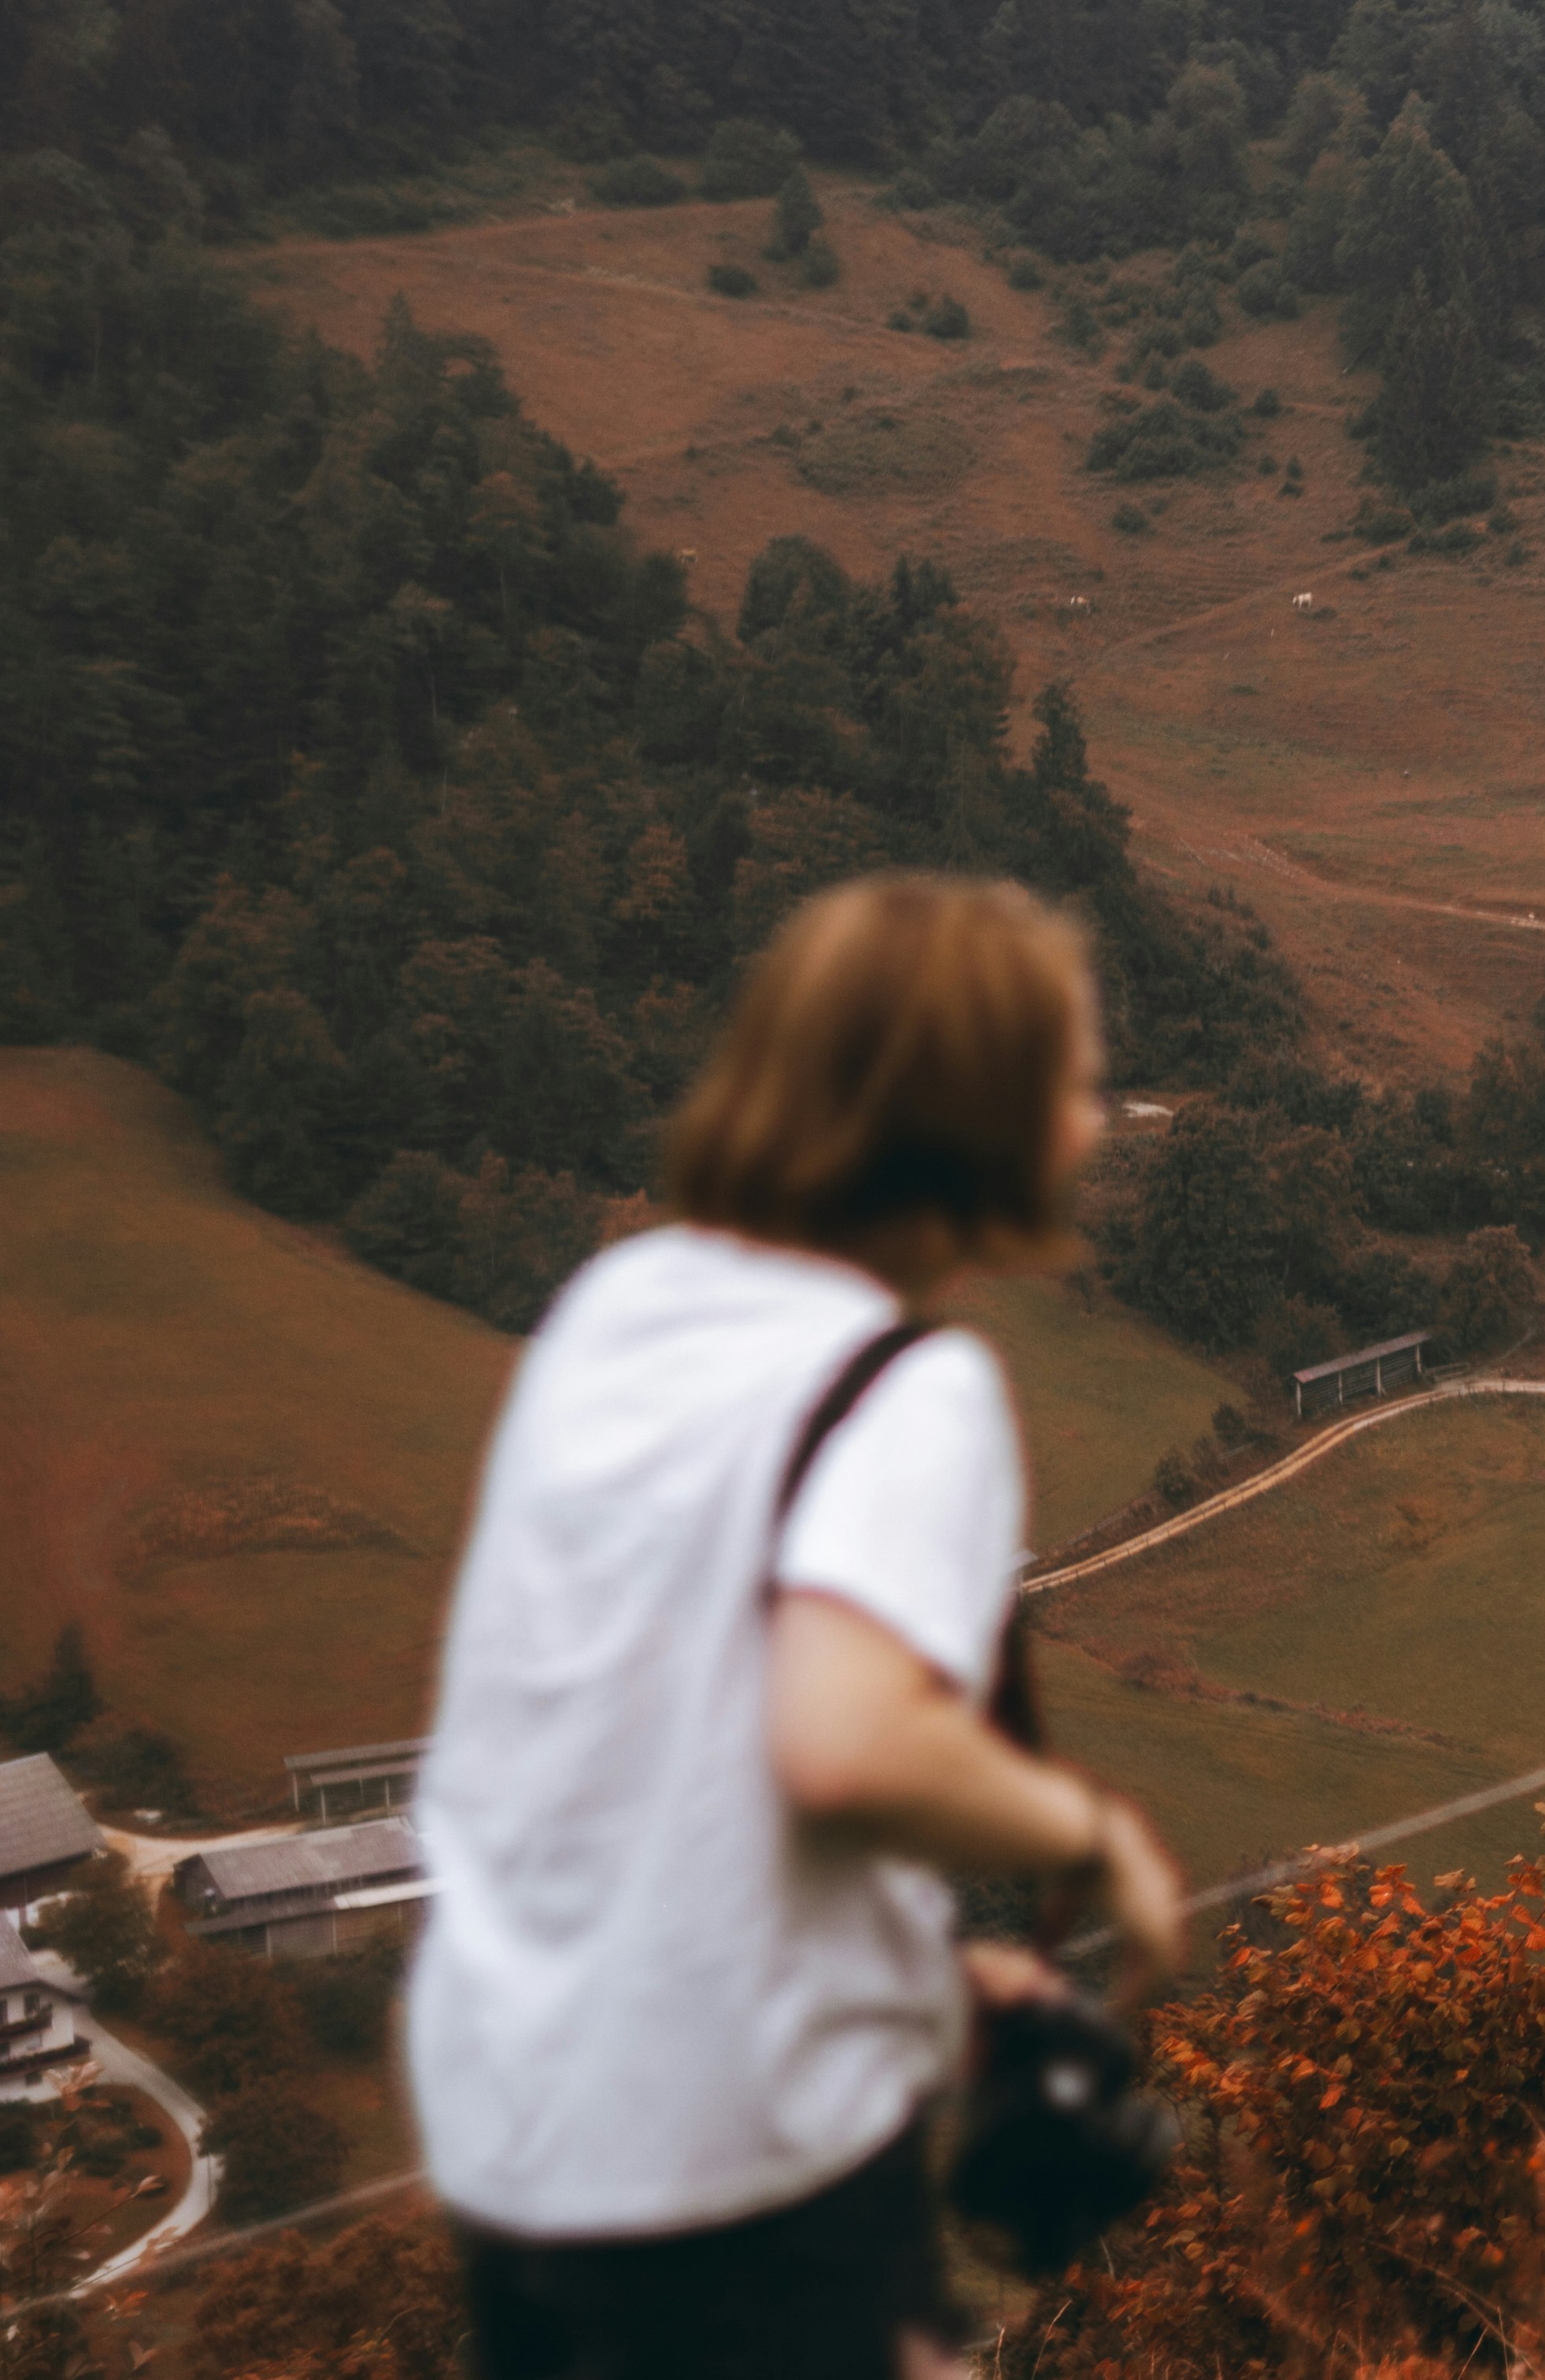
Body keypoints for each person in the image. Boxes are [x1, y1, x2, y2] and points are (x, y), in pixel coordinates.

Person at [409, 875, 1188, 2380]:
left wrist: (928, 1982)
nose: (1094, 1122)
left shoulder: (616, 1306)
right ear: (979, 1118)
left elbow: (649, 1752)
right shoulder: (908, 1387)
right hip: (733, 2178)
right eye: (1075, 1083)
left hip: (519, 2152)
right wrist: (1091, 1839)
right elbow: (840, 1743)